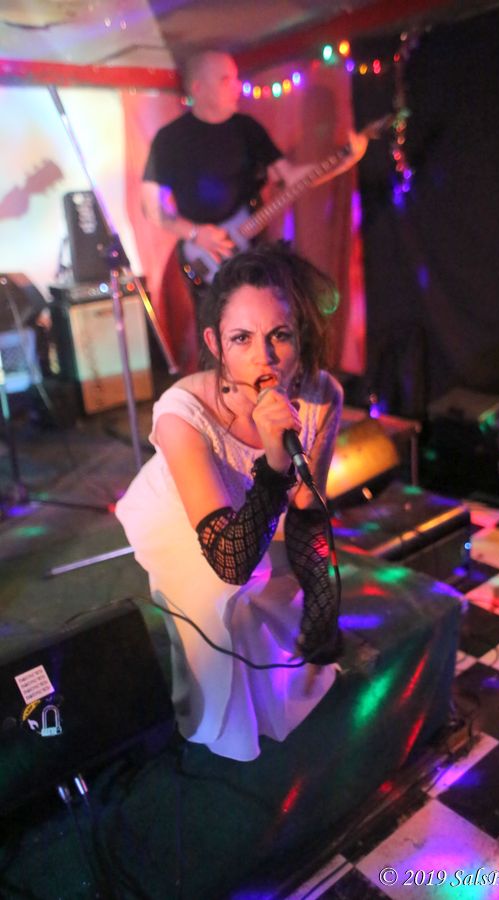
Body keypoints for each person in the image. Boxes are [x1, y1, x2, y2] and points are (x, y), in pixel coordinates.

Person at [115, 243, 344, 762]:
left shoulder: (321, 396)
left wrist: (323, 599)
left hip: (255, 508)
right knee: (228, 602)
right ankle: (223, 720)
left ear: (300, 337)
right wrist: (275, 465)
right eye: (242, 338)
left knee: (281, 596)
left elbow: (307, 509)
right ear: (215, 343)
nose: (265, 357)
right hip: (184, 515)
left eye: (280, 335)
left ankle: (278, 691)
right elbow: (231, 562)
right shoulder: (182, 413)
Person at [141, 49, 367, 370]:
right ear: (198, 88)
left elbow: (291, 178)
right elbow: (152, 207)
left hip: (250, 247)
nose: (236, 86)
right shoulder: (170, 140)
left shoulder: (247, 129)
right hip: (202, 256)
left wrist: (343, 161)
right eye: (226, 80)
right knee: (217, 332)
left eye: (236, 78)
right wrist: (195, 233)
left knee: (263, 321)